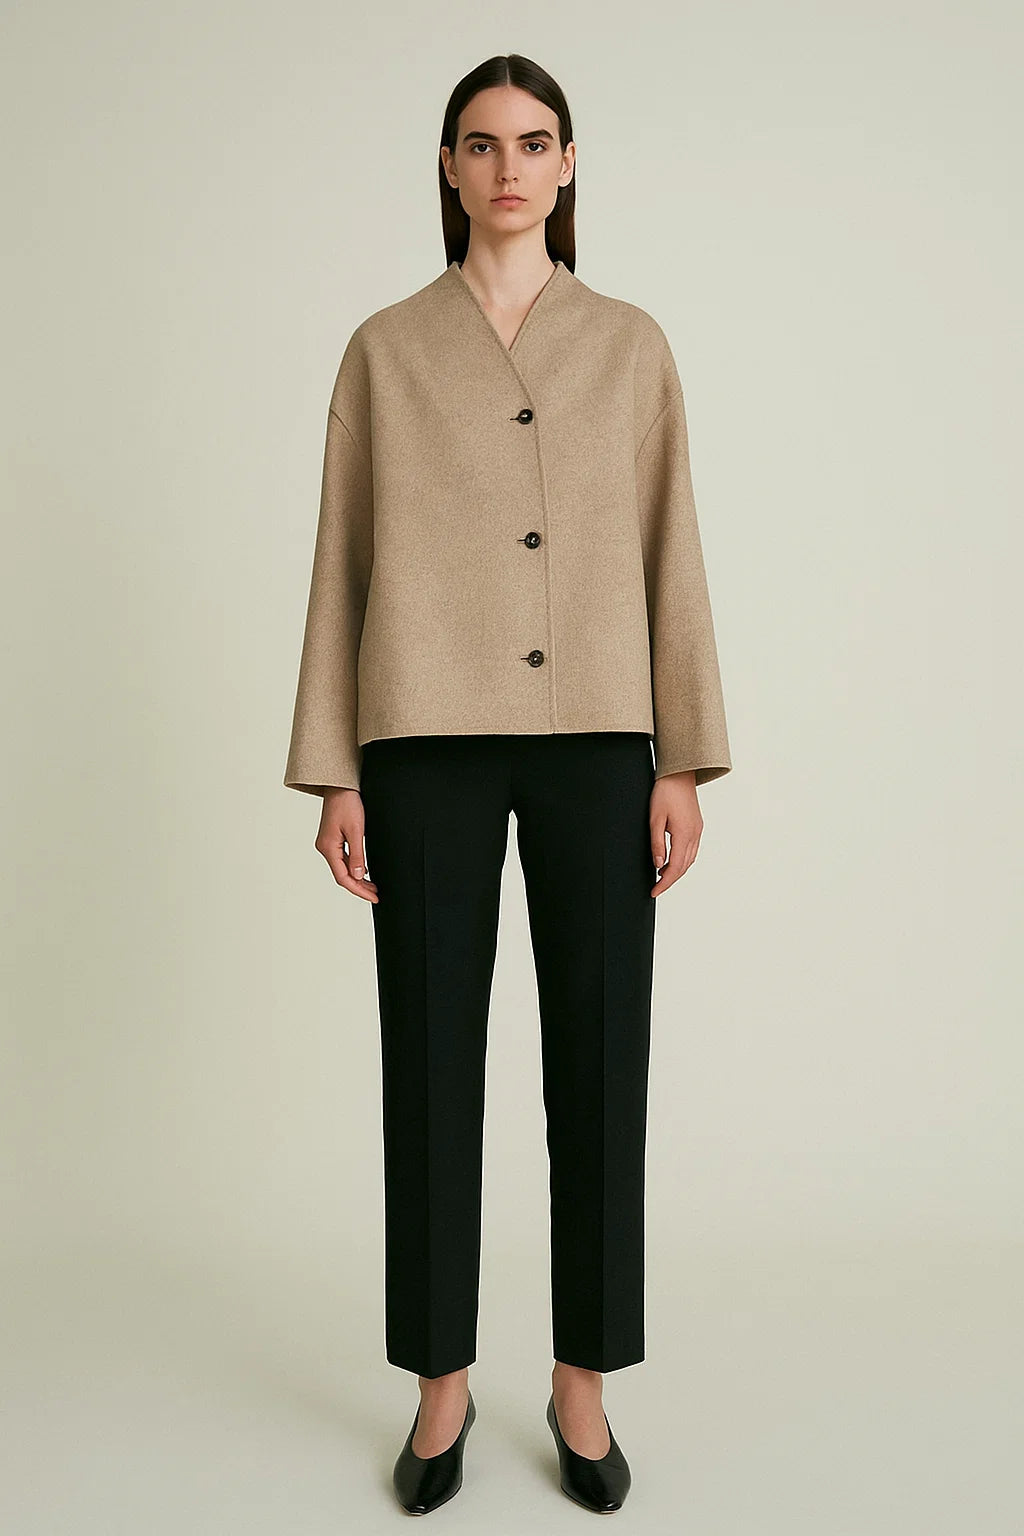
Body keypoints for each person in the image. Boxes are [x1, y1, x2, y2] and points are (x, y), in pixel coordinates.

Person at [283, 52, 732, 1517]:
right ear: (448, 167)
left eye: (535, 144)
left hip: (602, 736)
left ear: (571, 163)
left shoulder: (630, 345)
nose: (509, 169)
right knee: (429, 1063)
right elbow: (342, 560)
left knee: (601, 1062)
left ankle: (583, 1385)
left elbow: (672, 548)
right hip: (422, 740)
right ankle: (440, 1385)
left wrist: (683, 756)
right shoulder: (385, 350)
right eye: (481, 146)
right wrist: (336, 771)